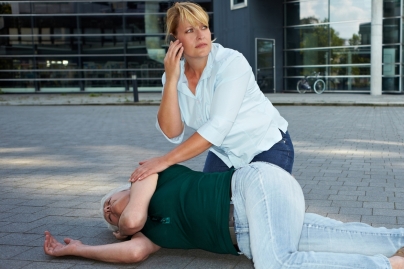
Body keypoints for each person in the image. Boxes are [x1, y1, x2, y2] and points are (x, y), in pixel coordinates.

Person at [45, 162, 404, 269]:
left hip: (253, 188)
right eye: (106, 215)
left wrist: (120, 226)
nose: (109, 210)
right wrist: (77, 249)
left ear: (126, 185)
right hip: (264, 220)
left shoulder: (148, 175)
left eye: (110, 200)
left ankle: (386, 268)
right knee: (347, 237)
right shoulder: (149, 238)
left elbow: (132, 221)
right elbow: (133, 252)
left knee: (277, 265)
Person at [129, 2, 294, 182]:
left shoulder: (231, 62)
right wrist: (170, 81)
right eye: (190, 30)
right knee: (208, 207)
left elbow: (218, 126)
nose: (200, 36)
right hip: (225, 153)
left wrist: (165, 160)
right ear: (175, 39)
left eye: (204, 27)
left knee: (257, 206)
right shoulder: (173, 76)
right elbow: (172, 132)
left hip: (265, 145)